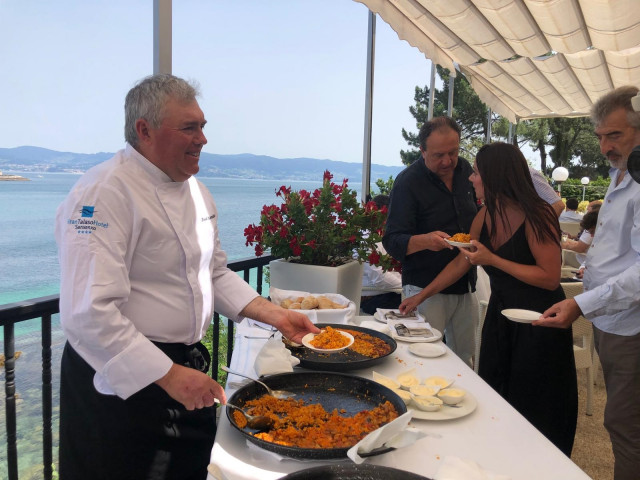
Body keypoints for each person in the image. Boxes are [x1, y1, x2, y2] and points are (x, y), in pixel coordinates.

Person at [54, 74, 319, 480]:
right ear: (145, 130)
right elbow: (88, 314)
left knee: (189, 470)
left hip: (183, 366)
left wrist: (275, 315)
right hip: (124, 379)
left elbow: (212, 272)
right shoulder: (104, 193)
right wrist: (169, 375)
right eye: (189, 128)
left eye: (203, 126)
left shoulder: (197, 191)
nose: (203, 139)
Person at [399, 142, 577, 455]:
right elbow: (462, 261)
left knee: (536, 404)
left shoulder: (538, 216)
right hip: (501, 317)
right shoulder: (486, 215)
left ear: (496, 176)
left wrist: (494, 261)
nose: (471, 178)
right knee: (497, 396)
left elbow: (549, 277)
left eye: (478, 173)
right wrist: (421, 296)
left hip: (540, 321)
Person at [536, 85, 640, 480]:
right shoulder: (620, 173)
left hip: (631, 325)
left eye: (614, 135)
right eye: (600, 137)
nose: (604, 147)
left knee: (625, 426)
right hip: (610, 318)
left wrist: (582, 302)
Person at [382, 117, 479, 365]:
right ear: (422, 151)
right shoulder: (407, 182)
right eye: (438, 155)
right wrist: (425, 241)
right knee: (423, 358)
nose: (447, 161)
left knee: (465, 359)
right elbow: (392, 240)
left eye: (453, 152)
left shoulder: (466, 171)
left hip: (466, 283)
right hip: (424, 289)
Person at [359, 194, 402, 315]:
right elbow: (379, 278)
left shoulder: (382, 237)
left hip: (386, 293)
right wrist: (406, 288)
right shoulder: (367, 240)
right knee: (420, 303)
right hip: (371, 298)